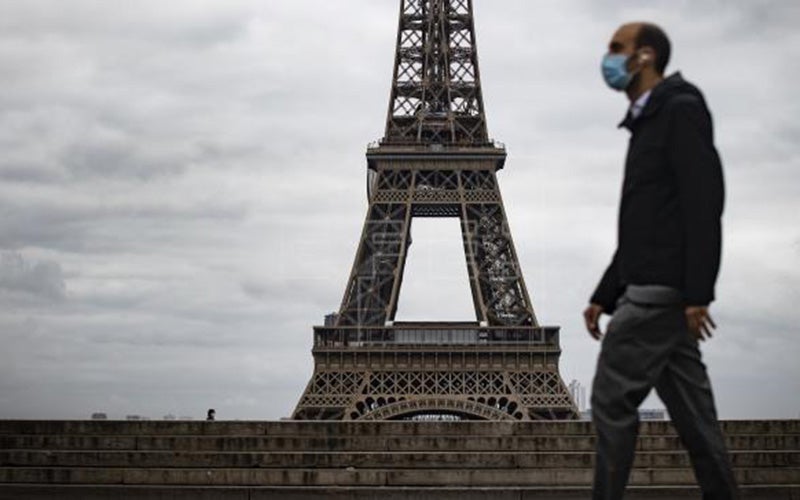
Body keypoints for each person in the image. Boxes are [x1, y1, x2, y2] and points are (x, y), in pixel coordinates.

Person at [584, 22, 738, 499]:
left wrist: (699, 293)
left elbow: (703, 200)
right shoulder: (649, 119)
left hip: (655, 296)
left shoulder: (679, 110)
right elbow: (646, 224)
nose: (607, 57)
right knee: (696, 421)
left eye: (616, 48)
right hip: (659, 293)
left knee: (610, 403)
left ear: (644, 56)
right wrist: (604, 294)